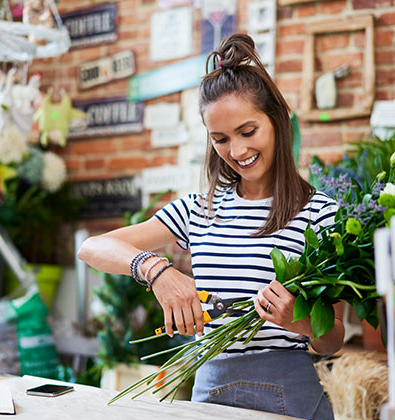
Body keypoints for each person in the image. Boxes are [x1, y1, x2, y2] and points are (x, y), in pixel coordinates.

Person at [78, 33, 344, 419]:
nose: (237, 151)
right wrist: (158, 272)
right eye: (220, 139)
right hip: (210, 396)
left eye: (248, 132)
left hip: (291, 400)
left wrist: (298, 321)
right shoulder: (198, 211)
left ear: (277, 120)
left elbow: (333, 339)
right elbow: (92, 248)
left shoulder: (321, 214)